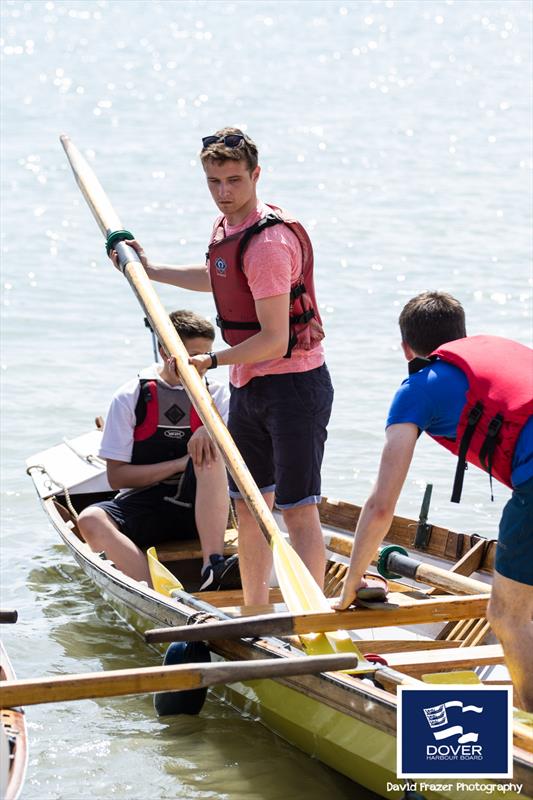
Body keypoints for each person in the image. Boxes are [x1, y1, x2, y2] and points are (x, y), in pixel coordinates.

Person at [111, 128, 334, 605]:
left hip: (293, 388)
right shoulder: (226, 229)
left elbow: (275, 340)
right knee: (249, 510)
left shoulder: (269, 243)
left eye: (234, 180)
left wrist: (210, 359)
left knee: (297, 509)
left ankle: (315, 619)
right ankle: (255, 611)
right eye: (214, 181)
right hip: (249, 387)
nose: (224, 193)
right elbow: (219, 281)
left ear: (256, 175)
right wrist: (150, 271)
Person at [335, 291, 533, 711]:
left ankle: (527, 723)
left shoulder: (417, 387)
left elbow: (381, 505)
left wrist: (353, 579)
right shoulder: (500, 348)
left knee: (506, 616)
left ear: (407, 348)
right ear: (462, 334)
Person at [77, 310, 240, 592]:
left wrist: (210, 429)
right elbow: (117, 478)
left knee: (213, 448)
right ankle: (161, 594)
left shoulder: (219, 396)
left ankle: (212, 565)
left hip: (203, 509)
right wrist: (179, 464)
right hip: (148, 506)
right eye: (193, 356)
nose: (201, 365)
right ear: (166, 352)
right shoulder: (130, 397)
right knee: (90, 519)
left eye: (207, 356)